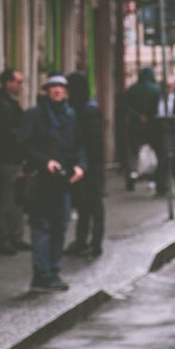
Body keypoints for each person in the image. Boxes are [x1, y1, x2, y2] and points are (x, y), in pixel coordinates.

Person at [18, 74, 85, 293]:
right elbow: (23, 145)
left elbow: (78, 145)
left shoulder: (71, 116)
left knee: (61, 226)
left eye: (61, 88)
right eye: (52, 87)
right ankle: (41, 275)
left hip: (63, 181)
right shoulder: (34, 115)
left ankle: (53, 272)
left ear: (66, 92)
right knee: (41, 227)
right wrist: (45, 162)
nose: (57, 91)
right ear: (46, 91)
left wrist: (80, 166)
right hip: (41, 180)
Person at [0, 68, 29, 255]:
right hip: (6, 158)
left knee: (16, 199)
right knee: (7, 200)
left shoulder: (8, 103)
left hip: (13, 158)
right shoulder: (2, 106)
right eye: (17, 82)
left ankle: (14, 236)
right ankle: (4, 239)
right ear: (7, 83)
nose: (20, 86)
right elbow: (5, 134)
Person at [65, 71, 105, 258]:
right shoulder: (77, 108)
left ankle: (95, 243)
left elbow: (95, 142)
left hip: (91, 166)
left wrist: (88, 164)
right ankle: (82, 240)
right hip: (83, 164)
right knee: (83, 204)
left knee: (93, 205)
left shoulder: (88, 110)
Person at [122, 67, 160, 191]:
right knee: (152, 152)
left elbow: (126, 107)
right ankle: (151, 178)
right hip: (152, 125)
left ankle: (132, 178)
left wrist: (138, 115)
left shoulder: (132, 89)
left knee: (133, 153)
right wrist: (148, 116)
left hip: (135, 125)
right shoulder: (156, 90)